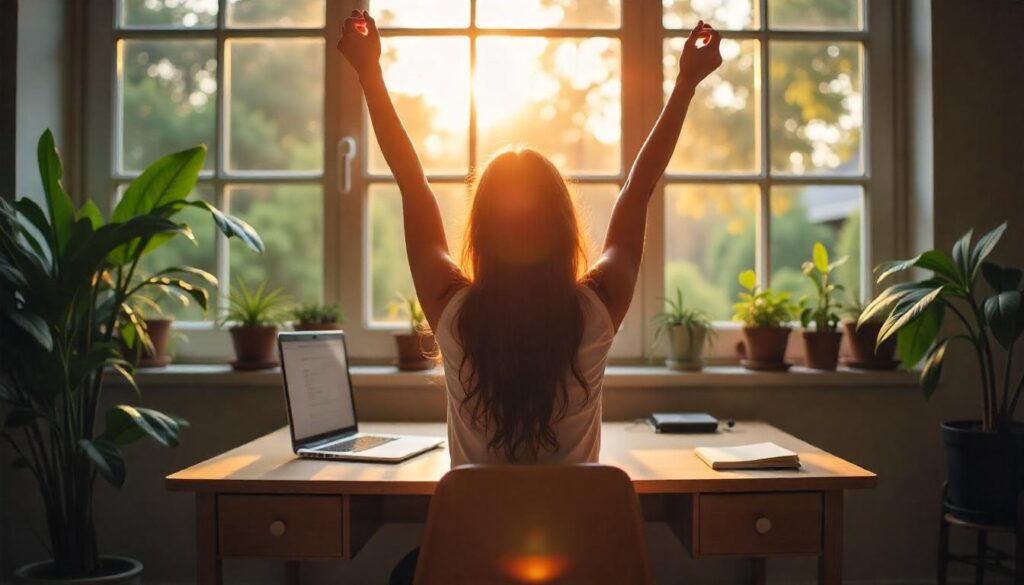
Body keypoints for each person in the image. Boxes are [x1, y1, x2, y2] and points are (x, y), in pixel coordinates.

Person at [338, 10, 721, 583]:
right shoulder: (596, 310)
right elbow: (637, 194)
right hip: (583, 568)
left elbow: (412, 185)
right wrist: (686, 83)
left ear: (481, 233)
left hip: (470, 570)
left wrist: (370, 75)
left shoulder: (453, 311)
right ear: (564, 228)